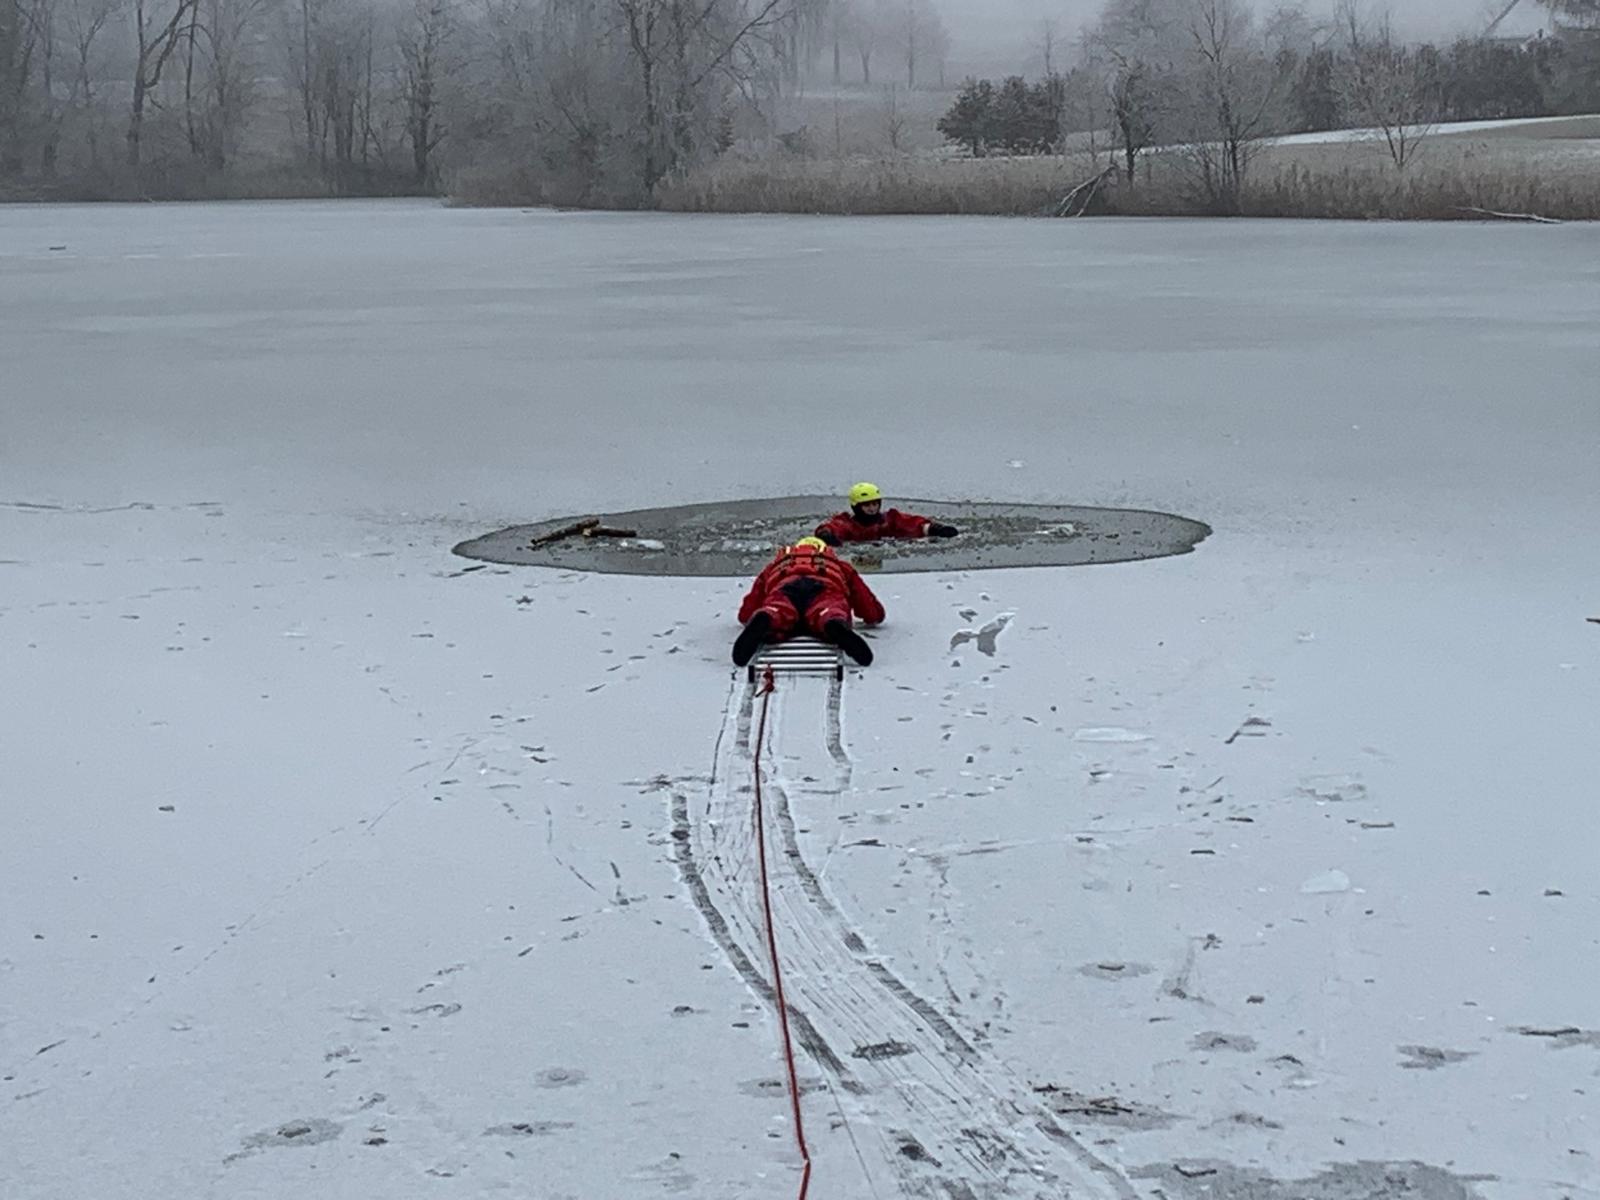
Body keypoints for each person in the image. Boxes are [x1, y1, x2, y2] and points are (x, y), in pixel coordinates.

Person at [733, 537, 884, 667]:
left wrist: (748, 616)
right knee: (828, 606)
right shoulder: (840, 566)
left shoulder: (775, 566)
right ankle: (833, 622)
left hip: (786, 586)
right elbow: (866, 603)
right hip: (824, 586)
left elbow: (748, 609)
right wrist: (875, 615)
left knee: (779, 607)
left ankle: (768, 616)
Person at [813, 482, 959, 546]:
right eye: (867, 505)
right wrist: (826, 534)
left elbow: (912, 524)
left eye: (875, 504)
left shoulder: (889, 520)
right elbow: (833, 527)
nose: (872, 508)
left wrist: (935, 529)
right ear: (856, 507)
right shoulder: (848, 524)